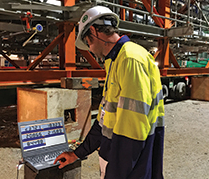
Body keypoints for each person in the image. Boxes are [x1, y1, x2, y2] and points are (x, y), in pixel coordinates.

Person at [54, 5, 165, 179]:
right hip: (116, 157)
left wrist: (117, 172)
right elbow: (105, 120)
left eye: (88, 42)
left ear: (93, 31)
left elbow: (132, 129)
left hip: (130, 165)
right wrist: (76, 154)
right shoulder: (115, 60)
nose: (89, 48)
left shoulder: (130, 59)